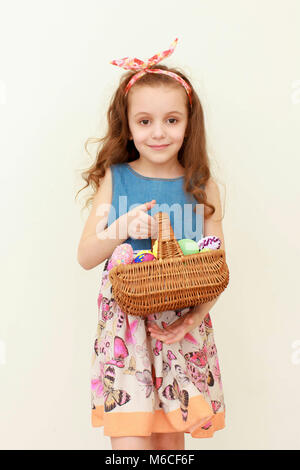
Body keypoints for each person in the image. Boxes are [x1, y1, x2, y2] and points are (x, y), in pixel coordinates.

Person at [76, 38, 228, 451]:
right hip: (127, 340)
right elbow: (85, 256)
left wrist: (193, 320)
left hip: (176, 336)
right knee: (130, 445)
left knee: (169, 446)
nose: (158, 132)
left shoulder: (200, 186)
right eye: (144, 121)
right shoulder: (116, 177)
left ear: (188, 122)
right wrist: (120, 227)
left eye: (171, 120)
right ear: (128, 125)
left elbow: (217, 269)